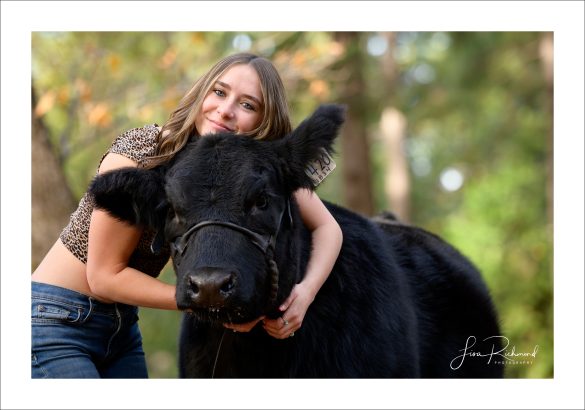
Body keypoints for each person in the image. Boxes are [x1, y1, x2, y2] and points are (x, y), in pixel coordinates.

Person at [31, 52, 343, 378]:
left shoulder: (250, 173)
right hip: (55, 317)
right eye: (219, 92)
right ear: (202, 92)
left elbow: (327, 227)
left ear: (264, 122)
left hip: (121, 329)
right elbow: (103, 276)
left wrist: (304, 295)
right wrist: (207, 301)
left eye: (248, 104)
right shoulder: (146, 151)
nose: (226, 109)